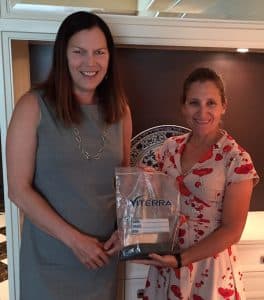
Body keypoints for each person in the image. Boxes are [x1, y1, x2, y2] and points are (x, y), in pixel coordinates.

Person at [6, 11, 132, 300]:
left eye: (99, 52)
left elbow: (124, 180)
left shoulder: (120, 111)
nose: (91, 62)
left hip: (102, 259)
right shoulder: (32, 106)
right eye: (79, 52)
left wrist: (125, 228)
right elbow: (18, 190)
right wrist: (76, 242)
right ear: (63, 56)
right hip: (50, 263)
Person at [136, 67, 259, 299]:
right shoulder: (169, 148)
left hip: (209, 268)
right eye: (194, 102)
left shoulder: (237, 158)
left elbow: (232, 230)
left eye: (211, 103)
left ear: (224, 106)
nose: (202, 111)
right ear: (183, 106)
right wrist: (146, 183)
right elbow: (161, 205)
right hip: (167, 260)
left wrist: (181, 260)